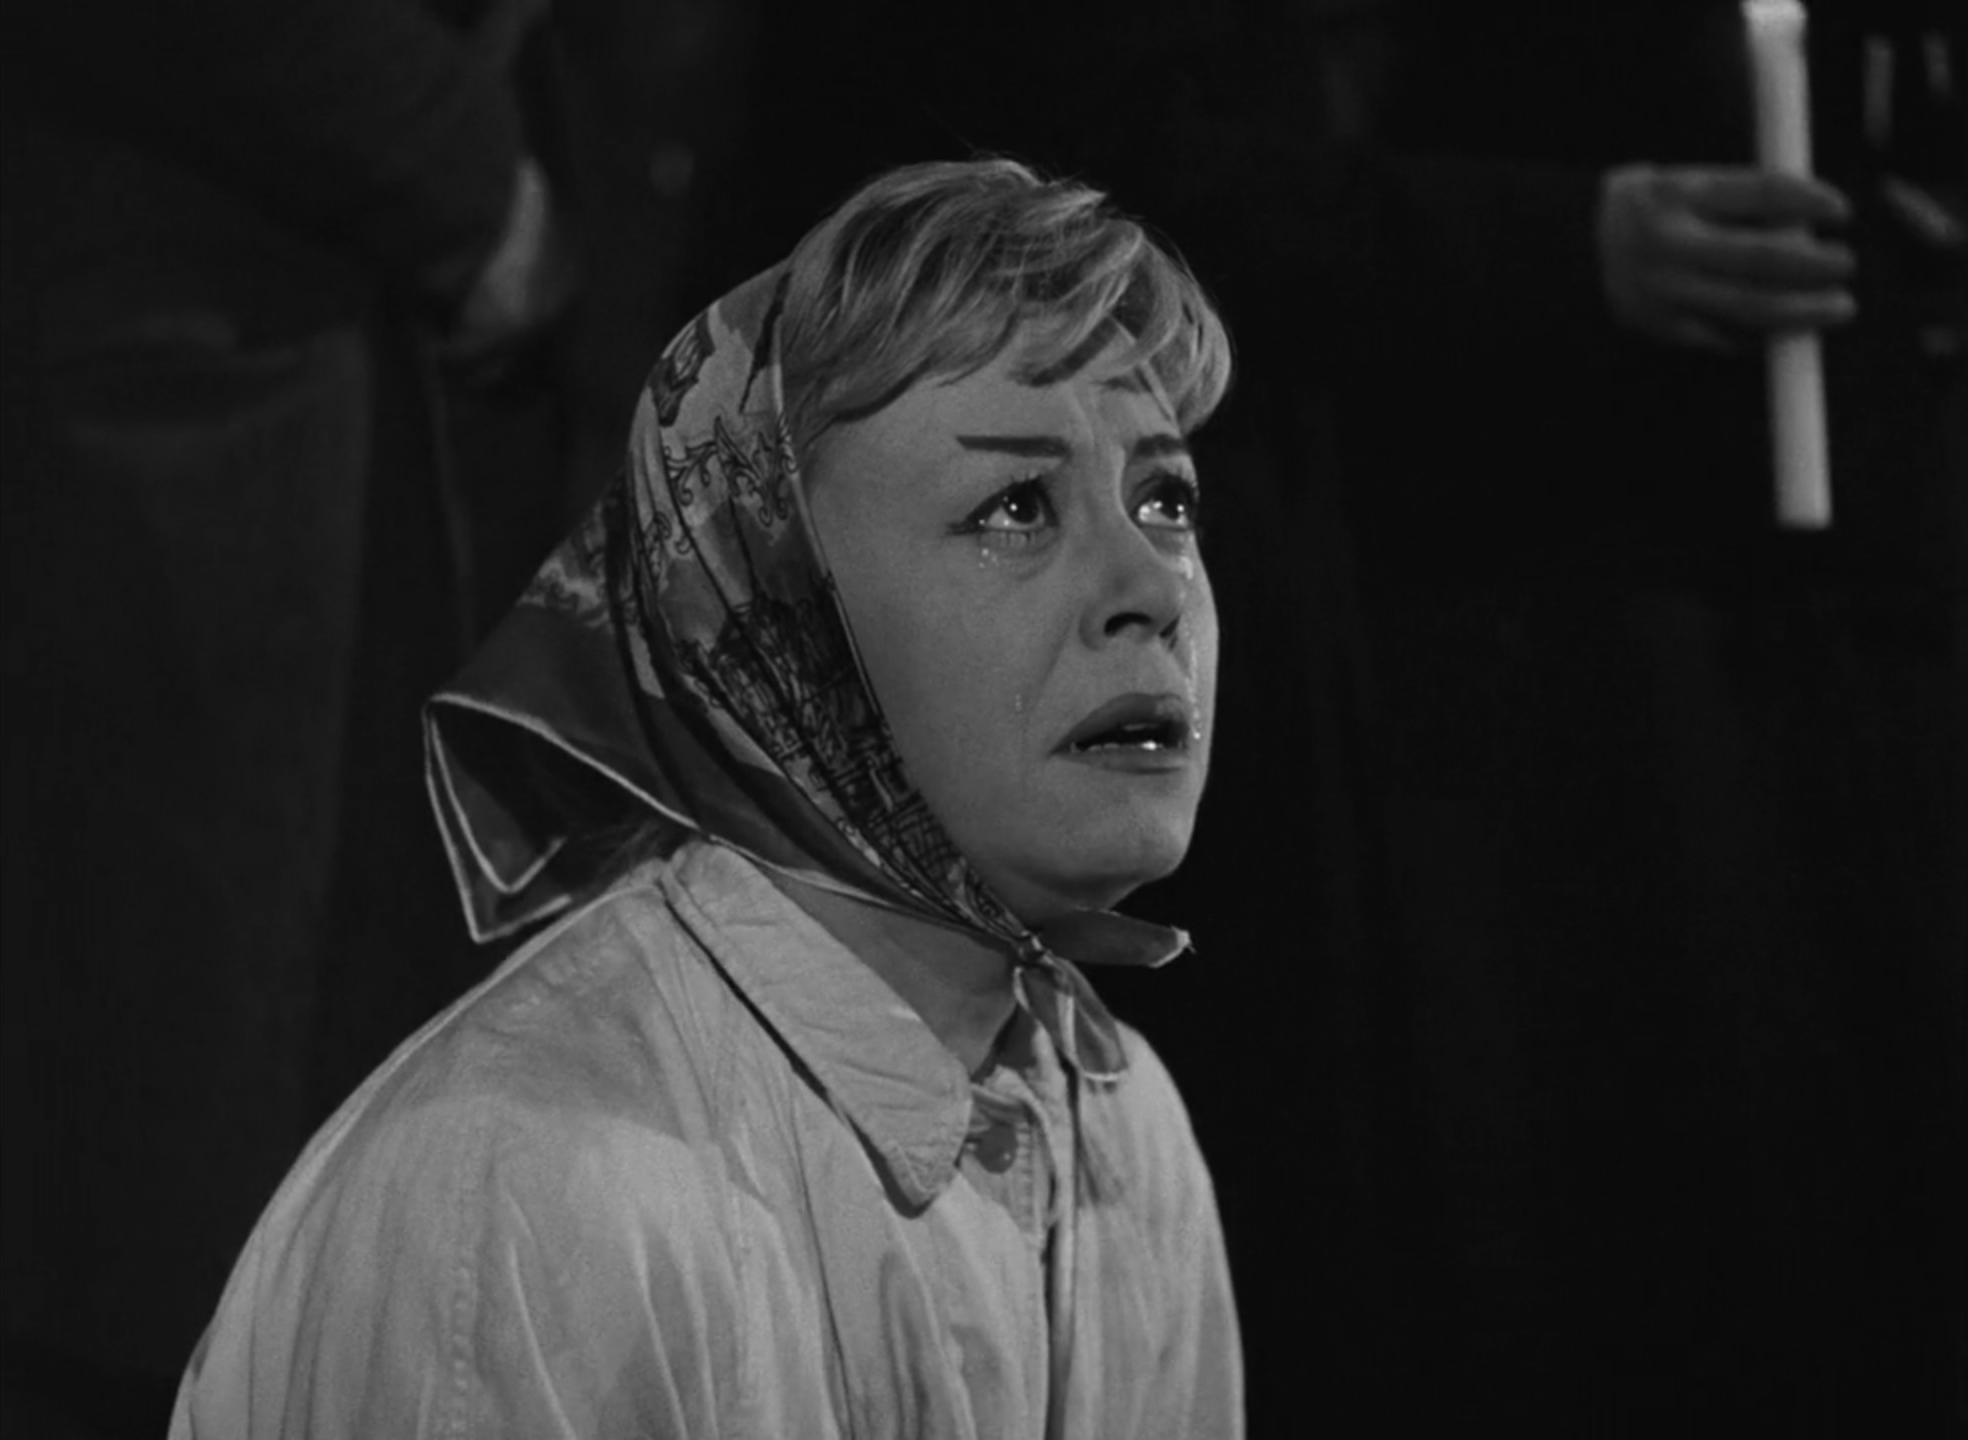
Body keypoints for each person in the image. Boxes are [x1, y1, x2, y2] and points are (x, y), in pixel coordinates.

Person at [169, 158, 1243, 1438]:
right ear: (775, 604)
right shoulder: (539, 1190)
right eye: (1015, 506)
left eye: (1165, 499)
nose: (1153, 586)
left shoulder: (1127, 1132)